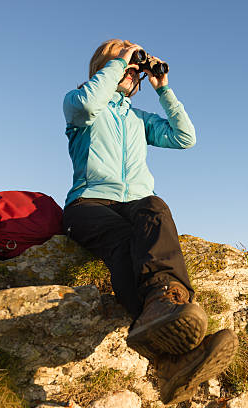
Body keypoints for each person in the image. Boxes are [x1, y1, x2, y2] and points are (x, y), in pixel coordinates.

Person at [61, 39, 238, 405]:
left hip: (135, 203)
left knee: (154, 207)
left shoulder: (137, 119)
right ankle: (173, 359)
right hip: (88, 203)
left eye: (135, 70)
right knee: (124, 240)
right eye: (124, 65)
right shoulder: (81, 104)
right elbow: (91, 100)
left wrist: (164, 89)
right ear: (103, 69)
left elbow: (185, 137)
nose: (131, 73)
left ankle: (166, 301)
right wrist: (118, 64)